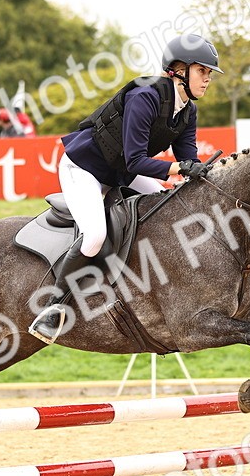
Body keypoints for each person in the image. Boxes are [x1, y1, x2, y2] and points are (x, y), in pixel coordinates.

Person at [27, 33, 221, 344]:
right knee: (94, 235)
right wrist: (179, 169)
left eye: (209, 73)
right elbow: (136, 160)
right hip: (84, 167)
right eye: (202, 71)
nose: (207, 79)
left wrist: (203, 172)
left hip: (120, 173)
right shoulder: (145, 96)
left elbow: (188, 158)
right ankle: (52, 308)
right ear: (178, 70)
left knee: (163, 205)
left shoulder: (187, 110)